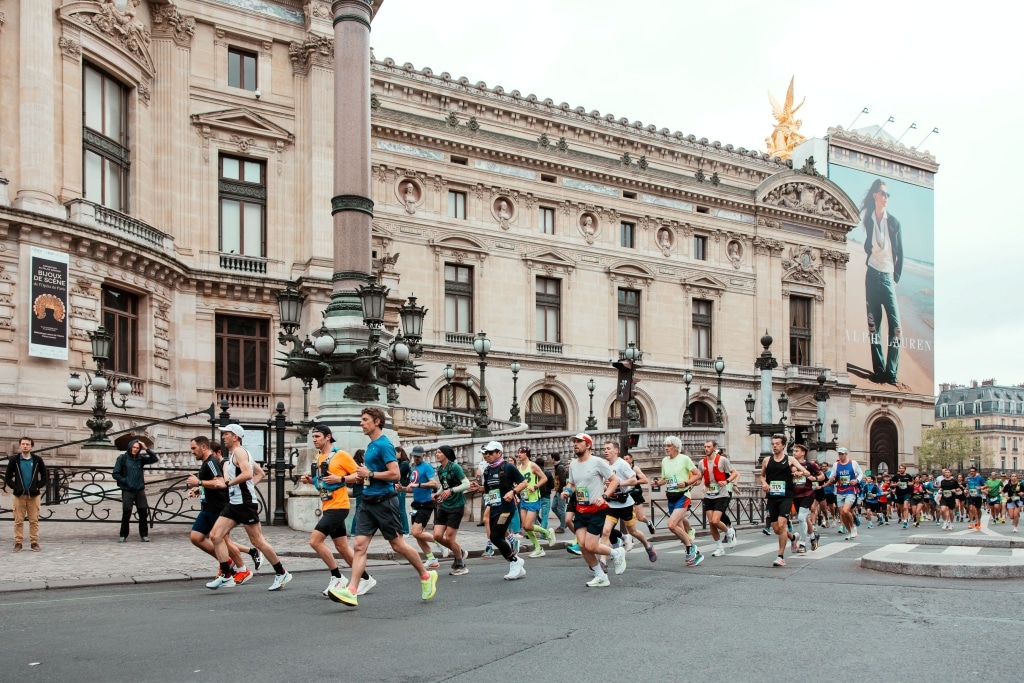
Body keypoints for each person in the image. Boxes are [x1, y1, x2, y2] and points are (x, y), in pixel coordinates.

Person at [328, 408, 437, 606]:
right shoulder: (370, 446)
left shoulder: (384, 444)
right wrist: (354, 477)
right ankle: (352, 590)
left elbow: (394, 474)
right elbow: (367, 473)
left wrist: (370, 474)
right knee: (359, 546)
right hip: (367, 502)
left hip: (385, 502)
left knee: (397, 545)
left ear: (377, 421)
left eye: (364, 420)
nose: (361, 423)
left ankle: (426, 575)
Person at [205, 424, 292, 591]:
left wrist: (229, 484)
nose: (223, 437)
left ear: (235, 437)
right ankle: (226, 575)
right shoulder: (235, 455)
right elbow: (260, 473)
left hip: (245, 504)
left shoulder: (239, 452)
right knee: (216, 535)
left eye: (227, 434)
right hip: (234, 502)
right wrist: (244, 487)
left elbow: (248, 474)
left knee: (257, 541)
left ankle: (281, 573)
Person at [299, 424, 376, 598]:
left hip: (339, 506)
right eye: (313, 437)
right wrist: (310, 481)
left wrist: (340, 478)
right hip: (327, 505)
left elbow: (358, 476)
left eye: (317, 437)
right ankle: (365, 578)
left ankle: (337, 576)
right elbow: (325, 482)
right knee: (341, 546)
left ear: (328, 437)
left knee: (315, 541)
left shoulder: (340, 455)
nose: (314, 440)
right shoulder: (319, 457)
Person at [185, 436, 260, 585]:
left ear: (204, 447)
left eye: (194, 448)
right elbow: (211, 484)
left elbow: (219, 482)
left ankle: (242, 569)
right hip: (207, 507)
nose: (192, 452)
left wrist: (199, 482)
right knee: (196, 537)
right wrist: (199, 489)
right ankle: (226, 561)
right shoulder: (205, 463)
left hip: (218, 508)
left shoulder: (212, 462)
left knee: (224, 540)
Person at [563, 433, 627, 587]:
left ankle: (617, 553)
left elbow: (614, 480)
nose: (575, 444)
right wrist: (567, 491)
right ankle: (601, 576)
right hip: (580, 509)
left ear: (588, 445)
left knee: (591, 546)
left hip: (596, 509)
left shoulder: (597, 462)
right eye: (574, 442)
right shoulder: (573, 464)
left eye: (579, 442)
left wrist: (604, 496)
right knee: (583, 546)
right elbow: (572, 484)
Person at [861, 179, 903, 386]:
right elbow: (867, 246)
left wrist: (894, 280)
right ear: (875, 195)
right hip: (872, 275)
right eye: (883, 193)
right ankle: (879, 371)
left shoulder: (894, 223)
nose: (886, 197)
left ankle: (891, 373)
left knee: (895, 327)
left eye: (888, 194)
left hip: (887, 276)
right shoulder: (869, 220)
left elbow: (900, 255)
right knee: (873, 325)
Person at [469, 440, 528, 580]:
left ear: (499, 453)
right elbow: (488, 489)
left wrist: (512, 492)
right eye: (485, 453)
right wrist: (478, 488)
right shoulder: (488, 469)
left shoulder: (508, 467)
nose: (486, 455)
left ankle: (515, 562)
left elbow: (524, 483)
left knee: (495, 536)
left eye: (490, 453)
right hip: (494, 507)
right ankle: (515, 563)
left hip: (507, 508)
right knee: (497, 537)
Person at [652, 436, 703, 567]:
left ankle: (690, 548)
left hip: (683, 495)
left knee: (671, 525)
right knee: (679, 529)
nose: (666, 448)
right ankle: (695, 552)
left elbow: (698, 474)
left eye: (669, 446)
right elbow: (664, 478)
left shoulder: (684, 459)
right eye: (665, 446)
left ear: (676, 447)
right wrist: (658, 482)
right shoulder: (664, 461)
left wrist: (686, 482)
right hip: (671, 496)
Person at [602, 440, 657, 562]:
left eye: (608, 448)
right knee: (606, 531)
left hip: (625, 503)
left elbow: (633, 481)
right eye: (604, 449)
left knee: (633, 531)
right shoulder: (604, 465)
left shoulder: (622, 464)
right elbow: (605, 485)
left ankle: (648, 547)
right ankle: (603, 562)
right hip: (611, 504)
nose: (605, 451)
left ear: (616, 450)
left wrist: (618, 483)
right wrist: (606, 487)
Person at [761, 435, 811, 567]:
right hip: (772, 496)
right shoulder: (767, 460)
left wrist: (800, 473)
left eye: (777, 444)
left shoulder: (790, 459)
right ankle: (793, 538)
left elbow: (806, 472)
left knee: (782, 524)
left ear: (783, 446)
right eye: (773, 444)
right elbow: (762, 476)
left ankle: (780, 556)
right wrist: (764, 484)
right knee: (776, 529)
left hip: (786, 496)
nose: (775, 446)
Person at [432, 445, 471, 575]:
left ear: (446, 454)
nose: (436, 454)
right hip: (445, 505)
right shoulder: (440, 469)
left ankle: (461, 564)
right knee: (437, 535)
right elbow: (445, 486)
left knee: (449, 538)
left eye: (439, 452)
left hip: (456, 505)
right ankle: (459, 551)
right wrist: (437, 494)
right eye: (436, 452)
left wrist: (452, 491)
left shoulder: (455, 467)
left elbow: (467, 484)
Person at [112, 438, 159, 542]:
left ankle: (144, 535)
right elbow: (115, 474)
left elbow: (154, 459)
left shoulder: (140, 459)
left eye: (137, 448)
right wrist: (126, 480)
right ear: (130, 447)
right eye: (133, 447)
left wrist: (146, 448)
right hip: (127, 490)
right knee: (126, 513)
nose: (135, 449)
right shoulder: (122, 458)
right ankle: (123, 535)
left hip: (139, 490)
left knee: (143, 513)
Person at [697, 440, 738, 557]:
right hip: (708, 495)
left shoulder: (722, 460)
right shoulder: (701, 462)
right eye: (705, 446)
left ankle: (729, 531)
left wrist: (727, 481)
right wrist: (693, 483)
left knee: (715, 520)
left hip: (721, 494)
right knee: (711, 523)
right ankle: (719, 547)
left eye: (708, 447)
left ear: (714, 447)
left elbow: (734, 473)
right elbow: (699, 478)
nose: (706, 449)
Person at [6, 436, 46, 552]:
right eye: (23, 444)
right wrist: (15, 487)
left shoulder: (37, 460)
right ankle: (18, 542)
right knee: (18, 520)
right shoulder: (14, 460)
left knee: (34, 520)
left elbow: (44, 477)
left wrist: (37, 486)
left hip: (34, 495)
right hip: (19, 495)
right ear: (20, 446)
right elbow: (8, 477)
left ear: (31, 446)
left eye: (27, 444)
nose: (25, 446)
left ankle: (34, 542)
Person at [514, 446, 556, 557]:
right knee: (525, 526)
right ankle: (538, 548)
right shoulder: (518, 468)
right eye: (518, 452)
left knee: (528, 525)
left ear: (527, 454)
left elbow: (544, 478)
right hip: (524, 498)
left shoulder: (532, 465)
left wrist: (535, 486)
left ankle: (547, 532)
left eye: (522, 452)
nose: (519, 454)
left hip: (533, 499)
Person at [404, 446, 441, 568]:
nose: (416, 458)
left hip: (425, 504)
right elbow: (413, 487)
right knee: (417, 534)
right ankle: (432, 559)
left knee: (416, 532)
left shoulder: (427, 467)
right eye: (414, 456)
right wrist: (403, 489)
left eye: (418, 456)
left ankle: (440, 541)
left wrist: (418, 484)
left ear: (424, 455)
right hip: (416, 503)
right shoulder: (413, 468)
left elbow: (434, 483)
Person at [824, 447, 864, 540]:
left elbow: (860, 473)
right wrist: (832, 478)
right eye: (839, 454)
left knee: (846, 510)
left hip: (850, 489)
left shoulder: (853, 463)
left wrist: (857, 480)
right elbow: (832, 475)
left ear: (846, 454)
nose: (841, 456)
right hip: (840, 490)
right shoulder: (836, 465)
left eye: (842, 454)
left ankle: (853, 527)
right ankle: (849, 531)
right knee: (842, 513)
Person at [790, 443, 823, 552]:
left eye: (797, 451)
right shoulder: (790, 464)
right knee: (804, 518)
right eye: (793, 451)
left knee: (801, 518)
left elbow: (822, 475)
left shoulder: (810, 464)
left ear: (803, 453)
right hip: (796, 494)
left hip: (807, 494)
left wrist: (815, 478)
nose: (794, 453)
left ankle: (802, 544)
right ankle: (813, 536)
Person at [623, 452, 655, 535]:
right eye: (624, 459)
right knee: (627, 518)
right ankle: (629, 538)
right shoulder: (621, 468)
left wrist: (633, 482)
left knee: (639, 517)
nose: (625, 461)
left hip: (636, 493)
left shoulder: (635, 468)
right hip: (627, 495)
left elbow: (645, 480)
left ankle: (648, 522)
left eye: (627, 459)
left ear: (631, 460)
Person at [396, 446, 412, 536]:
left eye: (395, 453)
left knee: (401, 510)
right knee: (399, 510)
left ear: (399, 452)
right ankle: (401, 529)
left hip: (401, 488)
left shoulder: (404, 464)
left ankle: (406, 530)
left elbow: (397, 474)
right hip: (398, 488)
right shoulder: (400, 463)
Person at [891, 463, 914, 528]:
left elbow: (912, 482)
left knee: (905, 507)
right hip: (899, 494)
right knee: (900, 508)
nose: (901, 469)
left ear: (905, 469)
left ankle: (905, 521)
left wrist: (911, 483)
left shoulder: (908, 476)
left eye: (902, 468)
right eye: (900, 468)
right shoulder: (896, 476)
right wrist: (896, 484)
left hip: (906, 493)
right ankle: (903, 518)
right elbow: (891, 484)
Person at [965, 466, 986, 531]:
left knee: (977, 509)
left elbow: (986, 485)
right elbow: (968, 486)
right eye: (971, 471)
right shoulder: (968, 479)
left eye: (973, 471)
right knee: (970, 508)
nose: (972, 472)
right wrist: (965, 490)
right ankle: (971, 522)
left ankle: (978, 522)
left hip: (978, 496)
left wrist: (980, 488)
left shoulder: (980, 478)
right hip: (971, 495)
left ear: (975, 472)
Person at [551, 453, 568, 532]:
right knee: (554, 507)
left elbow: (563, 480)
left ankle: (562, 526)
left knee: (561, 508)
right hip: (558, 490)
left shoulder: (560, 467)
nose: (551, 460)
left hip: (561, 490)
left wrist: (562, 491)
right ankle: (564, 522)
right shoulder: (558, 466)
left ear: (553, 459)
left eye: (551, 458)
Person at [536, 456, 554, 531]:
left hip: (536, 496)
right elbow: (552, 486)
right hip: (546, 496)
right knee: (545, 516)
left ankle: (534, 531)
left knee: (534, 515)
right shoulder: (548, 473)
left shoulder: (534, 473)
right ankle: (543, 532)